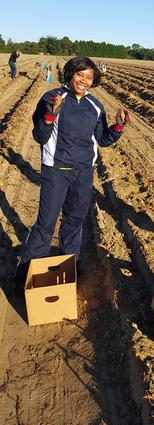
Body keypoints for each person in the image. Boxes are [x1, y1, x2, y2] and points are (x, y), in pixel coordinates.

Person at [15, 56, 130, 291]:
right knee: (45, 224)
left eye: (89, 77)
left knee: (74, 222)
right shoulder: (53, 98)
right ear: (70, 74)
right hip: (56, 169)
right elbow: (40, 136)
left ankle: (70, 271)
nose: (83, 81)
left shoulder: (95, 106)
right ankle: (22, 278)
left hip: (83, 172)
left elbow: (102, 140)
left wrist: (118, 127)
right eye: (80, 75)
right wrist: (50, 116)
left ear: (93, 80)